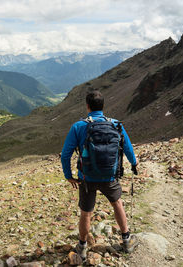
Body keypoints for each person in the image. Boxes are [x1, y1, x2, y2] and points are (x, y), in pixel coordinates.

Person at [61, 89, 139, 260]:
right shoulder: (116, 124)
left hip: (86, 178)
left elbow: (66, 154)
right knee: (117, 203)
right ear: (103, 106)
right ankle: (126, 240)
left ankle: (81, 247)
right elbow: (127, 147)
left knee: (86, 212)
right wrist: (133, 163)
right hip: (109, 177)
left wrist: (69, 175)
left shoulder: (79, 126)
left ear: (87, 106)